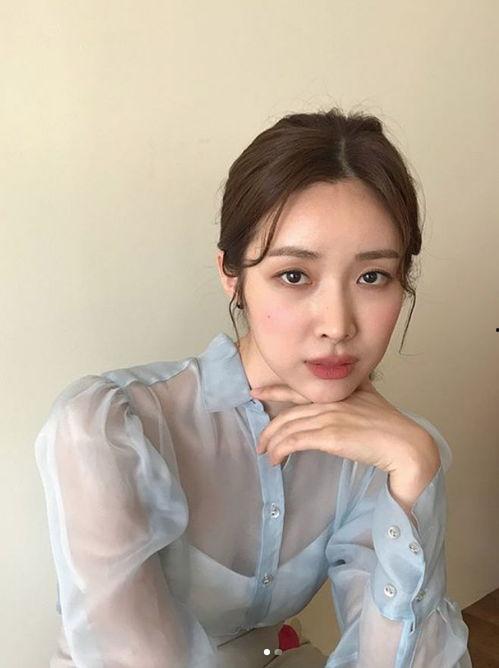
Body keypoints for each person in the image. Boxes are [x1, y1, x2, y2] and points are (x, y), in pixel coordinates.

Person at [34, 107, 472, 667]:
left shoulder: (378, 451)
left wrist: (414, 471)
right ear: (231, 274)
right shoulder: (111, 427)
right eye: (294, 275)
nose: (337, 325)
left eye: (372, 276)